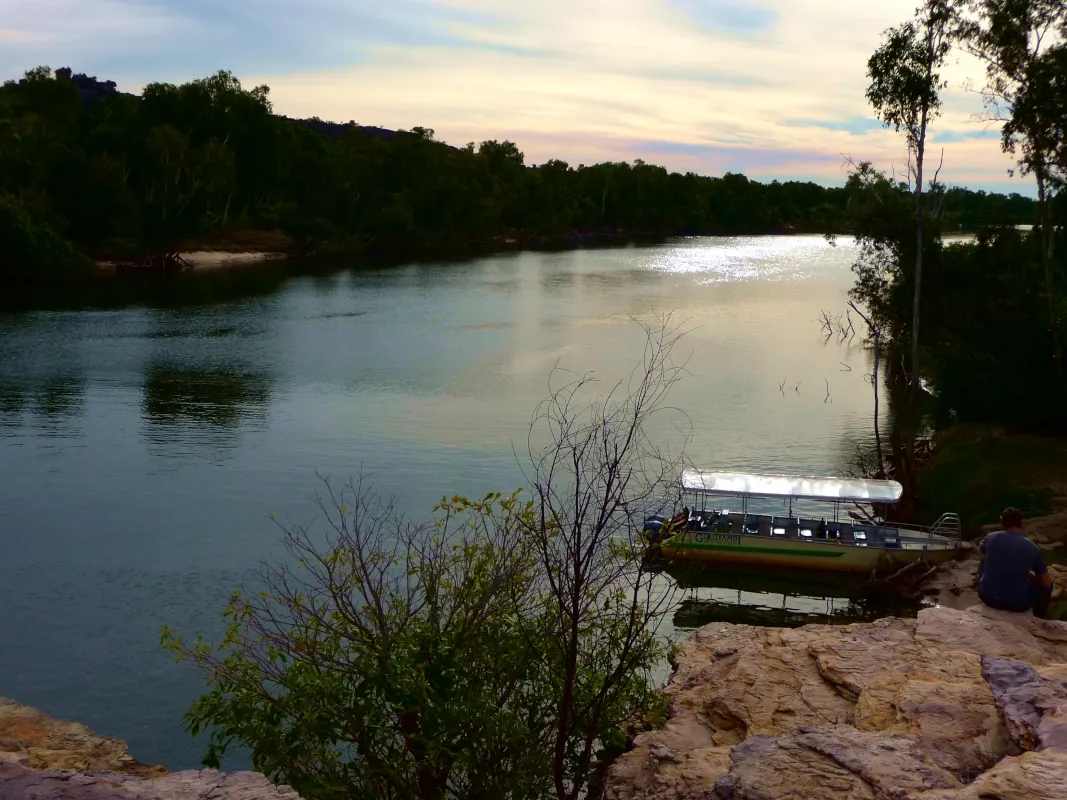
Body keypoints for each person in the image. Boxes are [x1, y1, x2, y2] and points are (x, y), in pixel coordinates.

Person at [978, 507, 1053, 618]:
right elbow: (1046, 582)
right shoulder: (1032, 547)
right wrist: (1028, 574)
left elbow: (982, 551)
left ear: (1002, 523)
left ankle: (988, 587)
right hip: (1017, 604)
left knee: (983, 561)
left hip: (987, 597)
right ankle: (1039, 618)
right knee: (1048, 587)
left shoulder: (990, 538)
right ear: (1021, 523)